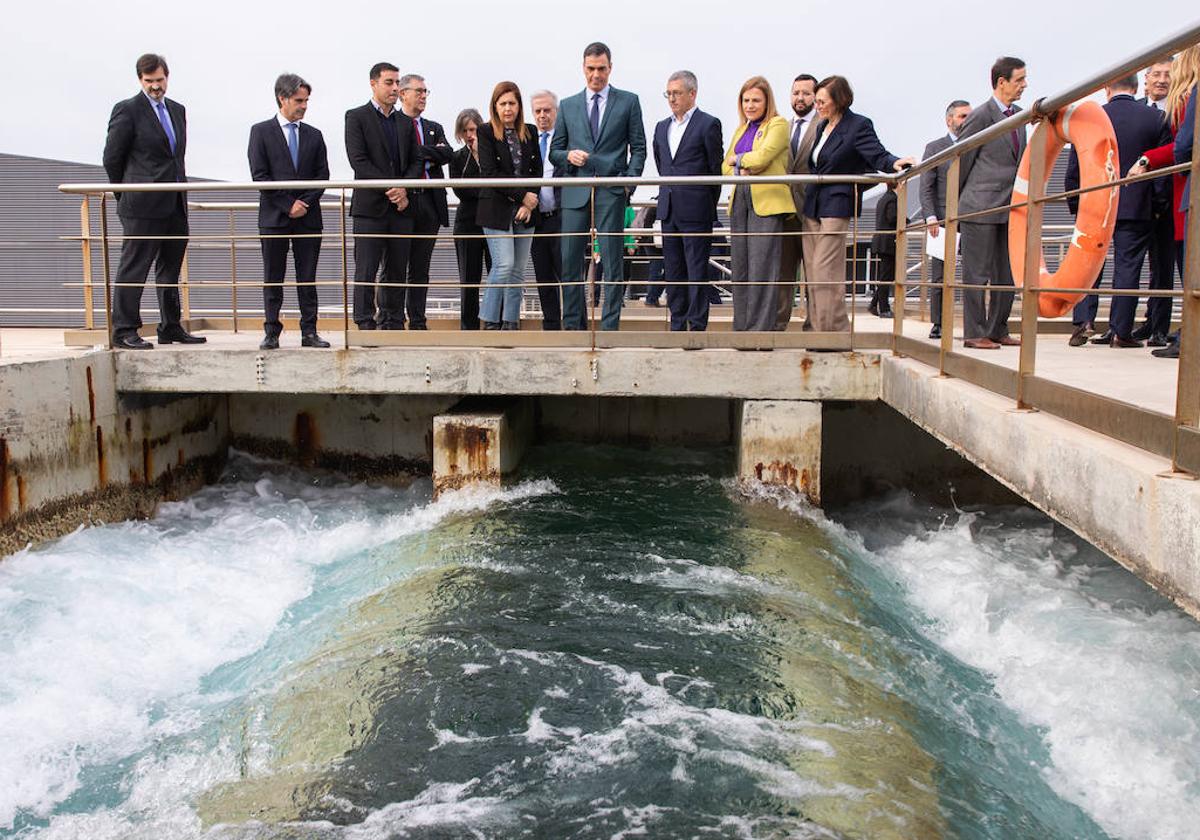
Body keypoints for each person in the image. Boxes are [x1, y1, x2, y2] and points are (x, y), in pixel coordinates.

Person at [102, 53, 204, 349]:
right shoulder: (127, 110)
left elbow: (175, 157)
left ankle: (170, 326)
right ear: (140, 80)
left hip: (174, 201)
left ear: (167, 77)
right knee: (134, 266)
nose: (155, 87)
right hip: (141, 204)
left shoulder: (177, 109)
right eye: (149, 82)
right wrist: (125, 194)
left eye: (159, 80)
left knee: (170, 266)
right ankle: (124, 330)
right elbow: (112, 158)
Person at [1065, 74, 1172, 349]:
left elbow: (1074, 169)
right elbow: (1161, 171)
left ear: (1106, 89)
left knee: (1089, 267)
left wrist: (1077, 206)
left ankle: (1083, 323)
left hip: (1094, 204)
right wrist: (1158, 206)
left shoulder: (1091, 118)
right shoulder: (1155, 118)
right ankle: (1119, 332)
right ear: (1137, 88)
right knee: (1127, 268)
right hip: (1135, 206)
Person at [803, 75, 913, 332]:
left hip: (836, 205)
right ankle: (819, 328)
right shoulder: (822, 126)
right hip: (813, 206)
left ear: (839, 100)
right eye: (816, 101)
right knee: (812, 269)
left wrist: (895, 163)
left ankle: (834, 330)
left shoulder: (858, 125)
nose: (816, 106)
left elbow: (877, 154)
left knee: (825, 268)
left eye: (821, 101)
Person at [549, 42, 647, 331]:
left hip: (611, 191)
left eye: (601, 69)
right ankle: (573, 330)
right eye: (591, 69)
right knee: (569, 263)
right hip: (575, 192)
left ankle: (609, 329)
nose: (596, 75)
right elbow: (555, 151)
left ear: (610, 68)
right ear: (583, 68)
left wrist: (628, 184)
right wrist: (568, 155)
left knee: (614, 264)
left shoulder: (629, 101)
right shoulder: (567, 105)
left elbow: (638, 148)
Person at [247, 73, 330, 350]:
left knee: (307, 277)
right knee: (273, 277)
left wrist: (303, 203)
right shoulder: (260, 131)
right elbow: (260, 176)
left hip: (308, 218)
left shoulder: (314, 135)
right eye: (298, 100)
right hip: (274, 219)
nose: (304, 106)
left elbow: (322, 176)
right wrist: (287, 204)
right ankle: (272, 332)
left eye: (306, 100)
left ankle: (310, 332)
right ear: (282, 98)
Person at [956, 56, 1028, 349]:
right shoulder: (981, 115)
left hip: (1008, 207)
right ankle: (975, 331)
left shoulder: (1019, 117)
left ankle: (998, 328)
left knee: (1006, 274)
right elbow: (962, 161)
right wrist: (956, 208)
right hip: (979, 206)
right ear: (1002, 82)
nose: (1024, 85)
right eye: (1019, 80)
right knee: (977, 273)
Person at [344, 61, 421, 330]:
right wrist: (390, 188)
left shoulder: (405, 122)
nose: (395, 88)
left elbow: (416, 162)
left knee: (397, 270)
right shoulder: (356, 117)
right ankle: (364, 321)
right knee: (366, 270)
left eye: (397, 82)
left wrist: (404, 189)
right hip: (370, 208)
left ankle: (393, 320)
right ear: (373, 83)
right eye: (389, 82)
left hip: (401, 208)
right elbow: (359, 161)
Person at [1132, 49, 1199, 359]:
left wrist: (1148, 158)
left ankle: (1190, 336)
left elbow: (1183, 146)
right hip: (1176, 196)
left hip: (1187, 193)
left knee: (1191, 272)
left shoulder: (1189, 97)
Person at [653, 70, 723, 332]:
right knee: (673, 269)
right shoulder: (662, 126)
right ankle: (678, 322)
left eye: (677, 93)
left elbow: (714, 170)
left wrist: (705, 202)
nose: (671, 98)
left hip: (697, 208)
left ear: (692, 93)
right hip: (668, 209)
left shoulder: (708, 123)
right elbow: (663, 164)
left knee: (696, 270)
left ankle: (696, 324)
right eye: (668, 93)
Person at [722, 77, 793, 333]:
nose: (750, 105)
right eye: (746, 100)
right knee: (740, 269)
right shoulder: (741, 129)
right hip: (740, 199)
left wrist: (737, 161)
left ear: (767, 102)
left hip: (767, 202)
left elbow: (763, 158)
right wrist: (742, 165)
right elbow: (723, 166)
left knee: (762, 268)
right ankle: (741, 328)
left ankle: (760, 331)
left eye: (756, 100)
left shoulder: (778, 124)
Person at [475, 82, 541, 330]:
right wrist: (522, 195)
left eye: (512, 103)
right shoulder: (486, 132)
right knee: (504, 265)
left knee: (518, 271)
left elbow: (537, 171)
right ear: (495, 107)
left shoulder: (530, 132)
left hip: (526, 210)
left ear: (519, 106)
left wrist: (530, 200)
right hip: (496, 209)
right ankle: (490, 321)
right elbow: (490, 174)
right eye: (502, 103)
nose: (507, 108)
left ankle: (510, 322)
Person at [395, 74, 453, 330]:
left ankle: (417, 320)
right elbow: (398, 159)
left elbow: (447, 153)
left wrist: (418, 153)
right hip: (403, 202)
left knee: (421, 266)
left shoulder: (433, 127)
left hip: (430, 202)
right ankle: (392, 319)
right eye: (418, 91)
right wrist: (429, 154)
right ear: (402, 94)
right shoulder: (393, 123)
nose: (423, 96)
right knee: (395, 264)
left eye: (426, 91)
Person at [919, 100, 970, 339]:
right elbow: (926, 186)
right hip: (941, 220)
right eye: (962, 116)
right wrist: (931, 217)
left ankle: (973, 325)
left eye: (969, 116)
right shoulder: (934, 148)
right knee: (940, 276)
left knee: (974, 273)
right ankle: (938, 322)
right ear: (949, 120)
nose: (966, 120)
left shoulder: (976, 145)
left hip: (971, 218)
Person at [779, 74, 820, 330]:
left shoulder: (823, 125)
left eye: (806, 93)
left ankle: (814, 327)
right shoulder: (781, 127)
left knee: (815, 273)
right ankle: (776, 325)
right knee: (782, 274)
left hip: (812, 211)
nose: (800, 98)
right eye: (796, 93)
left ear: (816, 97)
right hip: (784, 212)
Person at [449, 108, 489, 330]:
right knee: (468, 278)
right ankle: (469, 326)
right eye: (465, 131)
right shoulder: (457, 158)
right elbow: (460, 190)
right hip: (467, 223)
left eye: (473, 129)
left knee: (496, 275)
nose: (470, 134)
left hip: (491, 221)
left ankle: (496, 322)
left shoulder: (490, 153)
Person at [530, 90, 563, 330]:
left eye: (547, 110)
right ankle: (550, 325)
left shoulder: (565, 139)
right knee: (543, 277)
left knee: (569, 275)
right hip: (536, 218)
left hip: (561, 216)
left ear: (556, 112)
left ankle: (576, 324)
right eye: (538, 111)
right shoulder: (528, 139)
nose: (542, 115)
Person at [869, 183, 898, 317]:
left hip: (881, 242)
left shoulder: (883, 198)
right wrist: (906, 221)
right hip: (887, 243)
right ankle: (884, 309)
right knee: (886, 277)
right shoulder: (892, 199)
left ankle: (874, 304)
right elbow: (892, 218)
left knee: (885, 276)